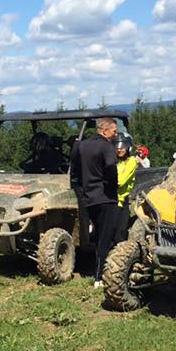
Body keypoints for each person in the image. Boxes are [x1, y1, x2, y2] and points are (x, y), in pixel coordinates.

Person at [70, 117, 120, 287]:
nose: (116, 134)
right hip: (106, 197)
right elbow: (111, 170)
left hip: (88, 198)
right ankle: (100, 277)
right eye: (114, 131)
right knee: (106, 238)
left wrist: (81, 192)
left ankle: (95, 272)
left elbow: (74, 174)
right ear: (104, 130)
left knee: (96, 235)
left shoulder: (81, 145)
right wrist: (113, 189)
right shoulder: (107, 146)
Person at [115, 134, 138, 242]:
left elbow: (120, 181)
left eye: (123, 146)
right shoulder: (114, 161)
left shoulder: (131, 161)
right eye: (117, 146)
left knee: (119, 235)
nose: (119, 149)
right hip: (109, 200)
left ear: (128, 147)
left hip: (121, 201)